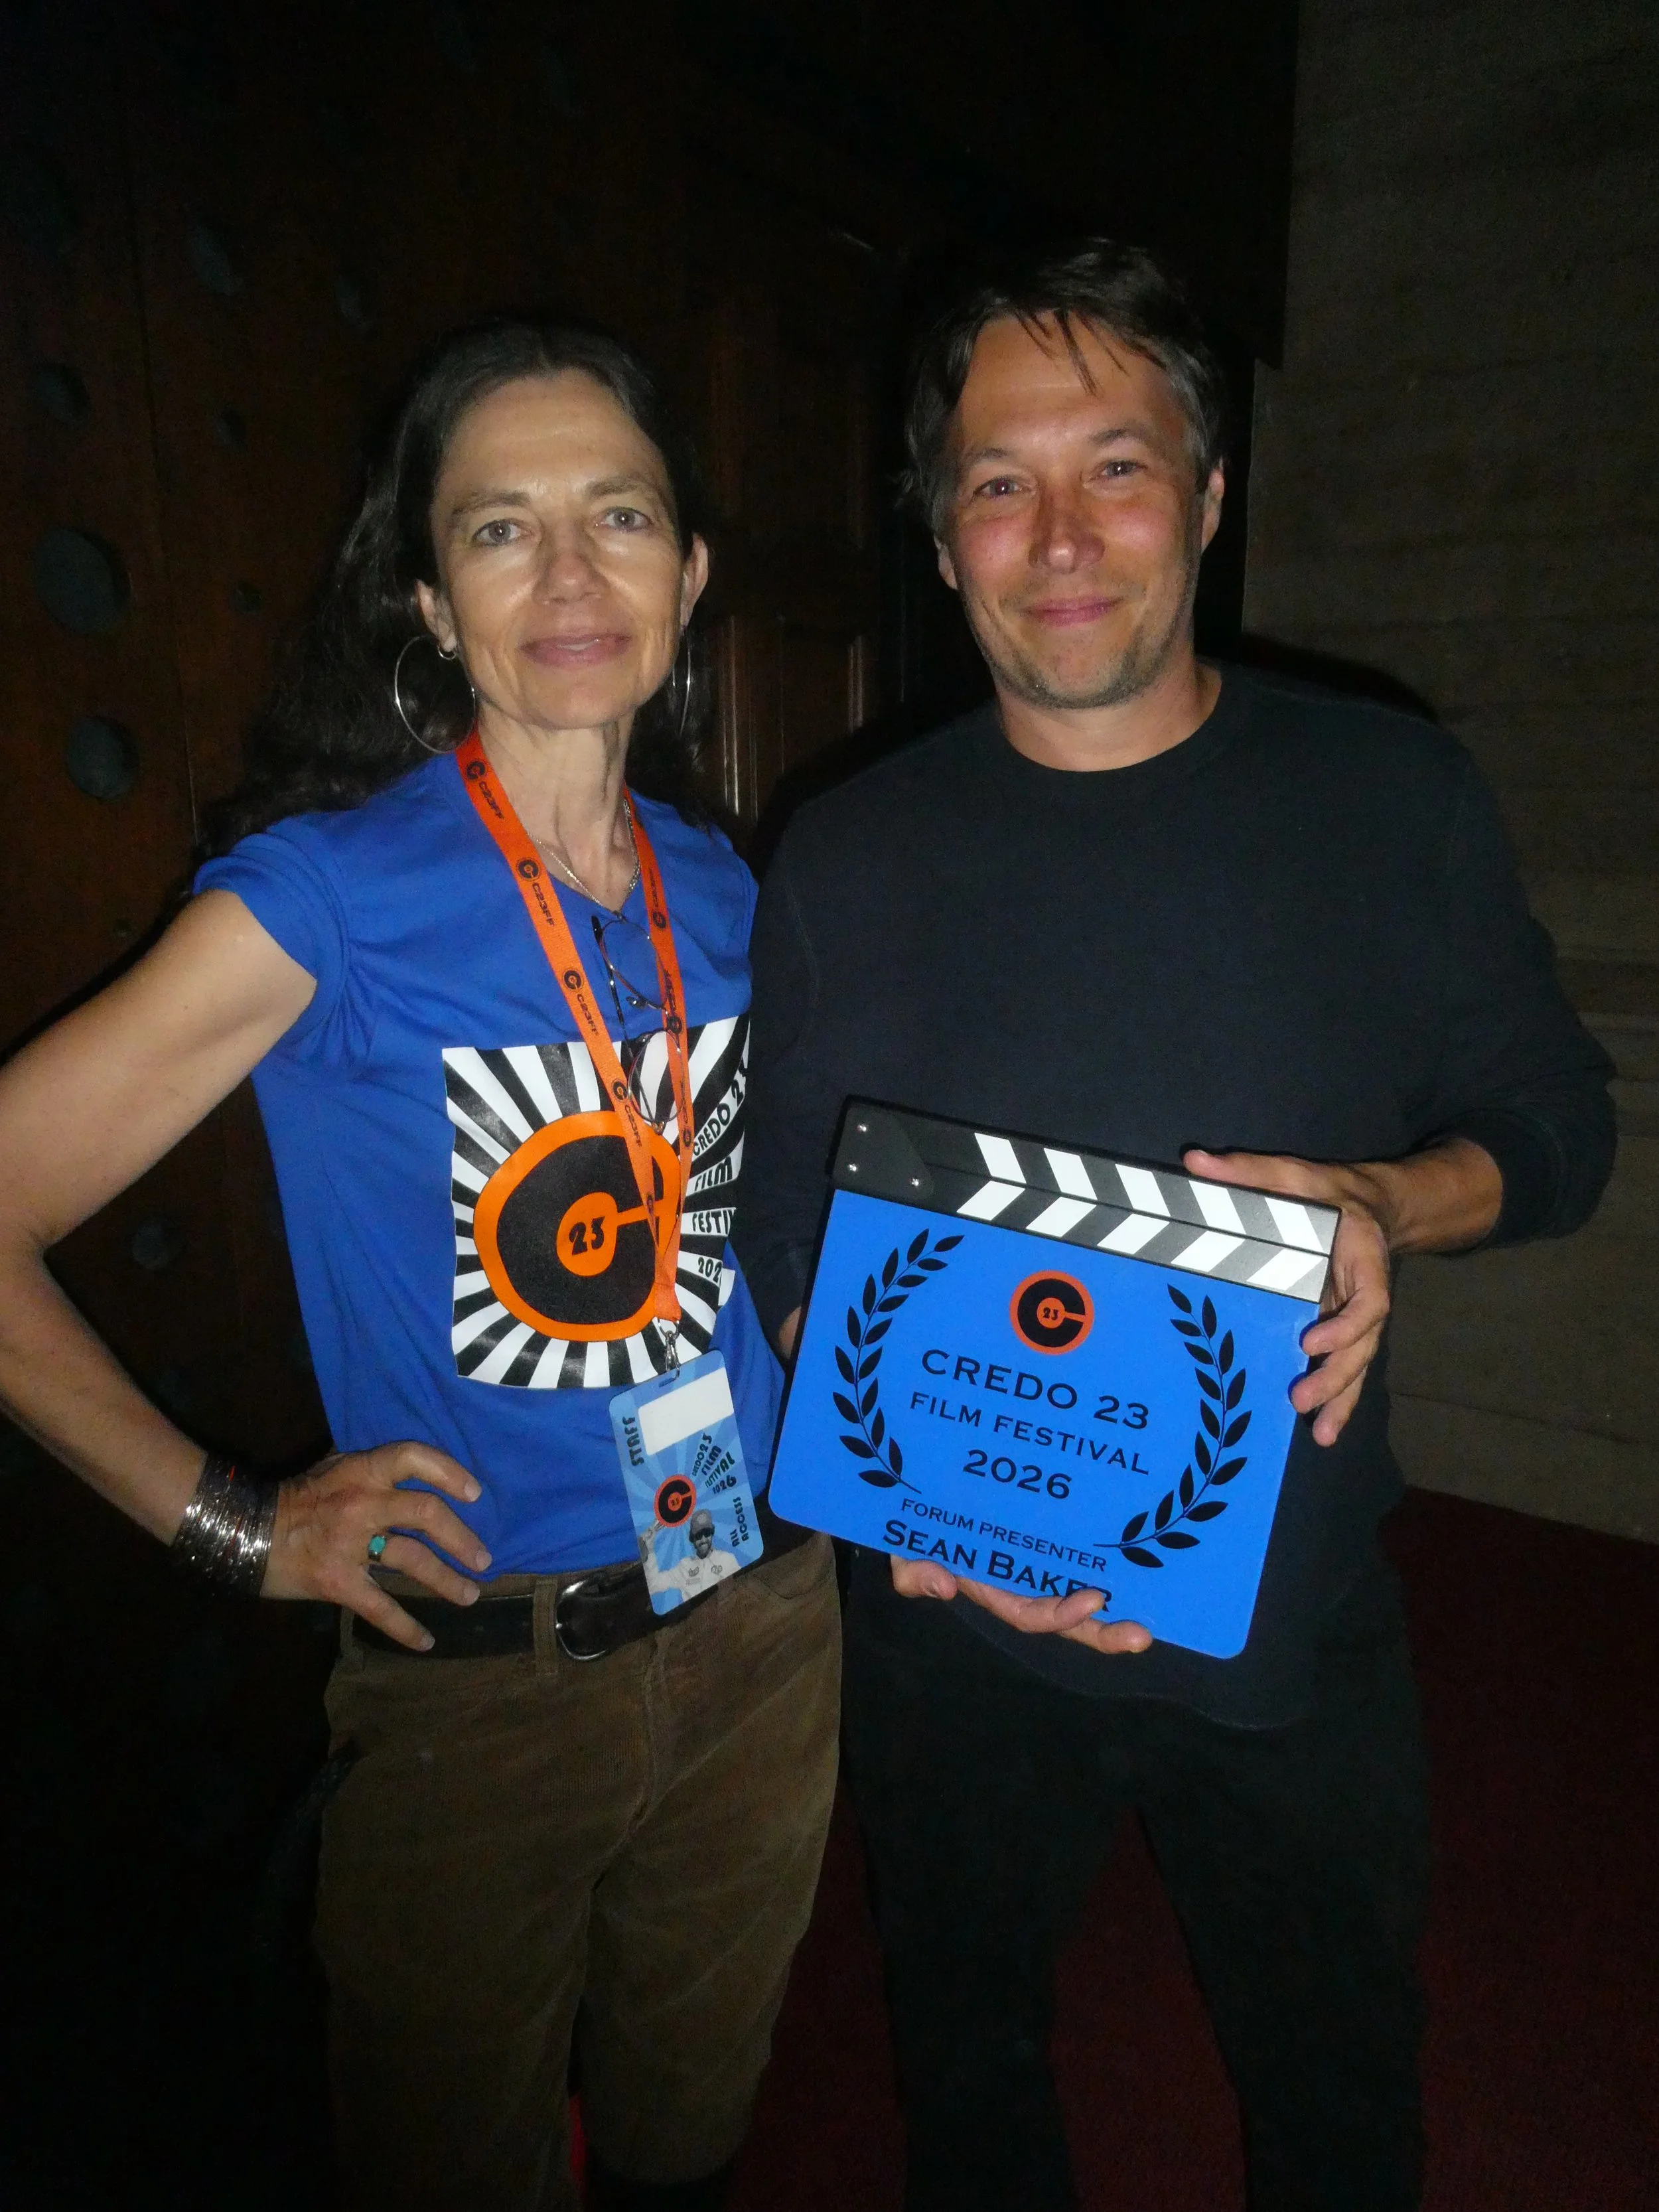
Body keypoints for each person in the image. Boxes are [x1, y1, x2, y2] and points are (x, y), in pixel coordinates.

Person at [734, 241, 1615, 2211]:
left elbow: (1560, 1124)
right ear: (941, 537)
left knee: (1337, 2097)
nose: (1058, 536)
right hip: (946, 1641)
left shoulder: (1389, 790)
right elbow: (781, 1206)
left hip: (1283, 1611)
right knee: (967, 2084)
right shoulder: (847, 850)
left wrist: (1397, 1201)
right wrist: (902, 1487)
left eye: (1114, 467)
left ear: (1209, 499)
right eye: (997, 481)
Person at [0, 317, 840, 2212]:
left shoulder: (733, 889)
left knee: (692, 2143)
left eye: (619, 515)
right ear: (429, 601)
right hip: (487, 1687)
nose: (570, 576)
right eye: (499, 529)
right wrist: (236, 1526)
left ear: (690, 573)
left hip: (769, 1624)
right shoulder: (326, 899)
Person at [642, 1508, 741, 1601]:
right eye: (698, 1535)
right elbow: (653, 1585)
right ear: (692, 1539)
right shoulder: (684, 1566)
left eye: (707, 1533)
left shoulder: (728, 1559)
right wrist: (649, 1551)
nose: (703, 1540)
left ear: (712, 1533)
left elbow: (741, 1588)